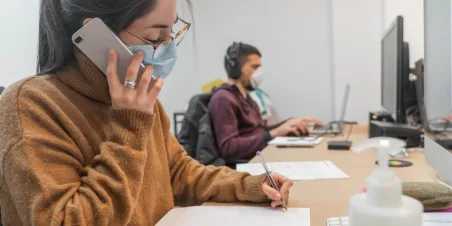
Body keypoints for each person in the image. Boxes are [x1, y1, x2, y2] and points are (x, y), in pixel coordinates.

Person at [0, 1, 293, 225]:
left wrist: (251, 186)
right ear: (96, 36)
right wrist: (129, 128)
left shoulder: (138, 98)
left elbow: (179, 173)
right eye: (155, 38)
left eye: (171, 34)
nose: (166, 50)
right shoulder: (30, 105)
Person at [209, 42, 322, 161]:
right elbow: (229, 148)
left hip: (259, 156)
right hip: (247, 165)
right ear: (236, 68)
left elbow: (260, 131)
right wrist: (274, 133)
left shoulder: (246, 97)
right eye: (254, 67)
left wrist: (290, 123)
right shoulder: (223, 99)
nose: (259, 72)